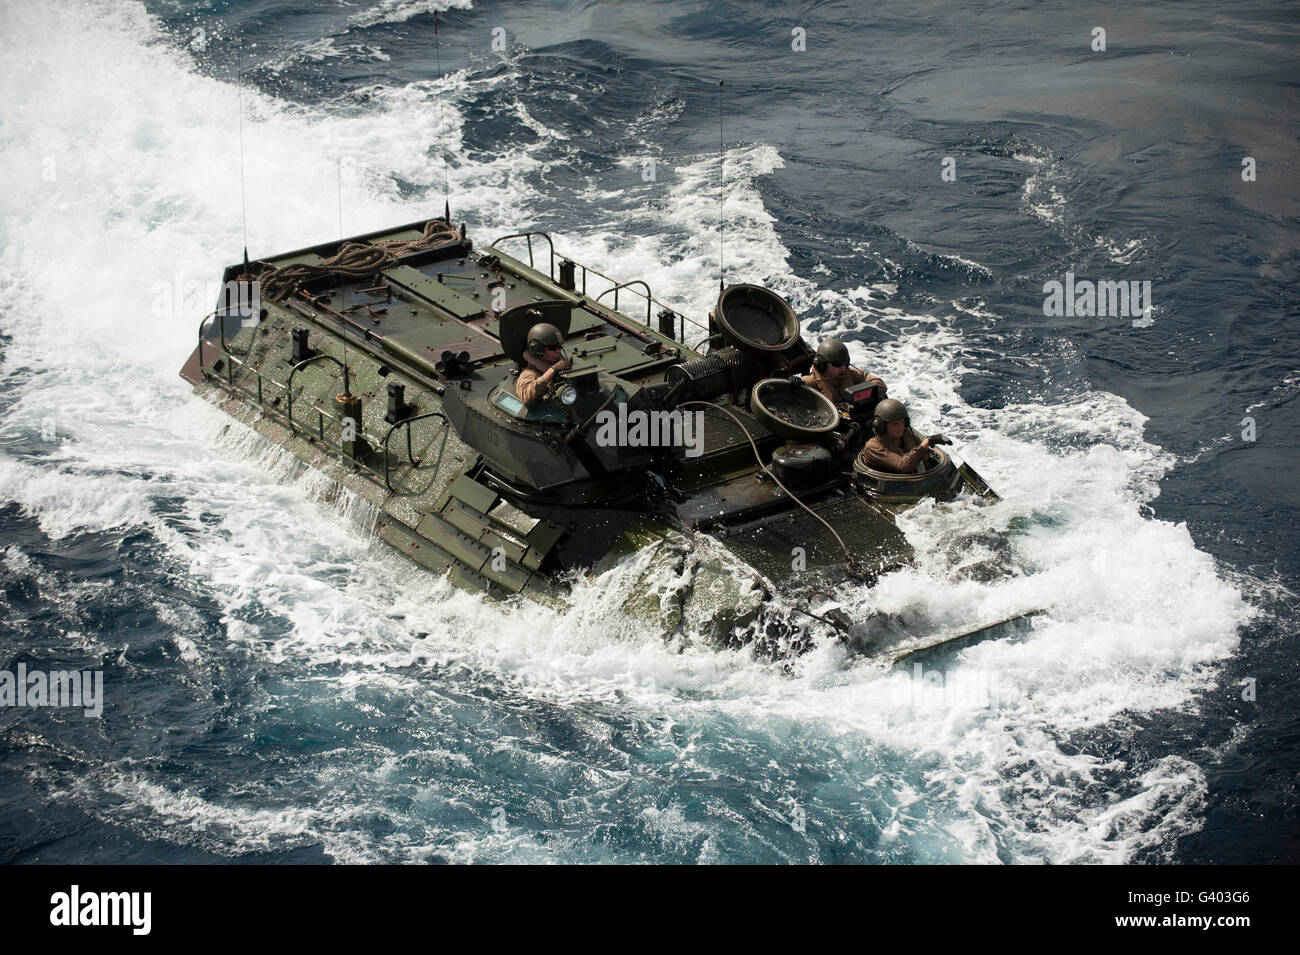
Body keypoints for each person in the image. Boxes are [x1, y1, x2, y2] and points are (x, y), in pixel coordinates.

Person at [858, 398, 950, 474]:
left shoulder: (905, 434)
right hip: (893, 489)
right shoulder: (873, 447)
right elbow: (903, 465)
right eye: (895, 424)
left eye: (902, 422)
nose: (900, 427)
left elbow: (923, 454)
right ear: (881, 426)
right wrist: (927, 442)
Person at [802, 338, 887, 404]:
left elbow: (879, 384)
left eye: (846, 363)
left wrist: (857, 396)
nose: (842, 368)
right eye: (837, 364)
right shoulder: (810, 382)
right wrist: (795, 385)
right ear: (822, 364)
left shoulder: (851, 373)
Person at [515, 322, 571, 407]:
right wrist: (553, 370)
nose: (558, 351)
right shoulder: (527, 374)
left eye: (559, 347)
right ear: (538, 349)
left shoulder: (561, 362)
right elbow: (527, 398)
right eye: (553, 348)